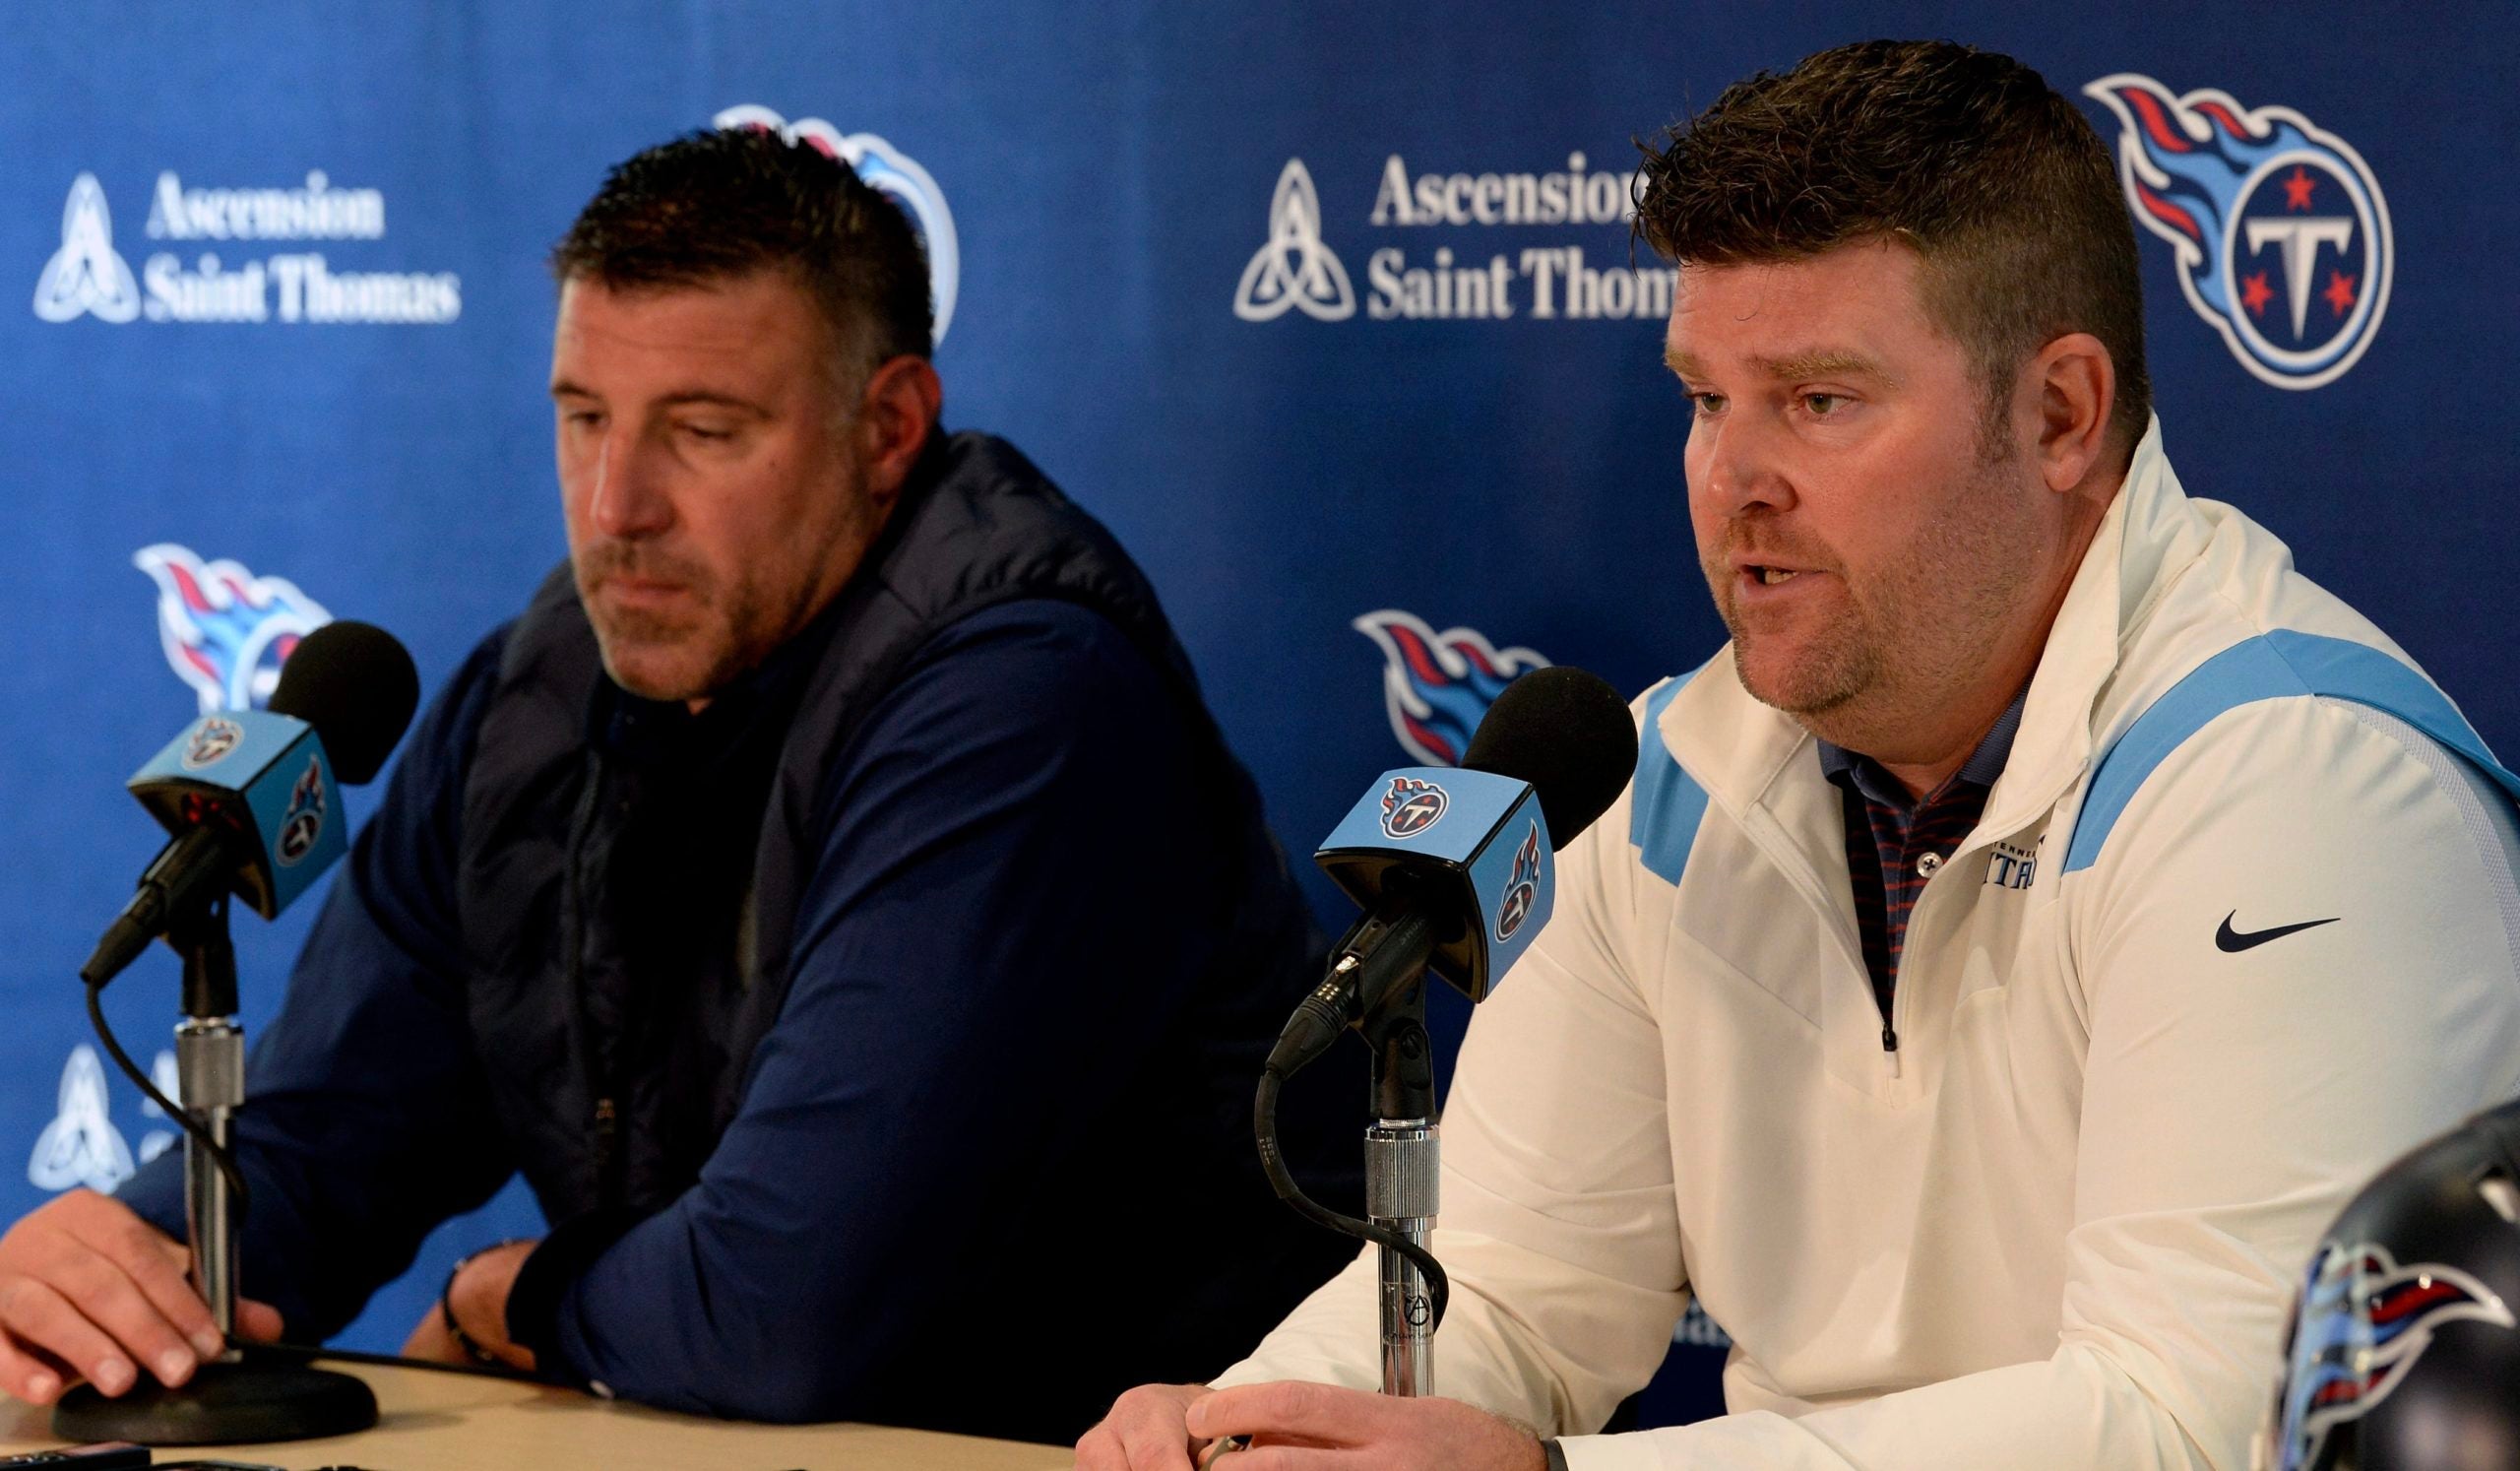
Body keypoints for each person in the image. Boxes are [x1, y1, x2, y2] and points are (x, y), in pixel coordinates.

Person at [1078, 39, 2520, 1471]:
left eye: (1820, 401)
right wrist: (1254, 1424)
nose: (1734, 481)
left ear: (2061, 415)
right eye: (1708, 399)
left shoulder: (2301, 782)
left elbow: (2199, 1425)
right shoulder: (1656, 779)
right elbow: (1516, 1289)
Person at [0, 126, 1359, 1442]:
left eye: (703, 431)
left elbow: (782, 1301)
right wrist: (123, 1270)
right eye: (584, 417)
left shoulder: (1025, 698)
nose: (613, 508)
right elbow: (318, 1160)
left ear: (888, 428)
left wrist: (510, 1297)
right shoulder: (529, 699)